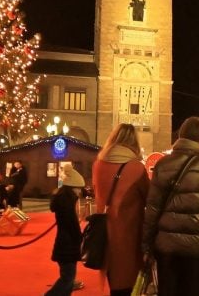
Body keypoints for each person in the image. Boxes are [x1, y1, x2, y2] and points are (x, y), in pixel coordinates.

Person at [143, 116, 199, 296]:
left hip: (167, 247)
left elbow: (152, 209)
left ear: (181, 135)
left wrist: (147, 243)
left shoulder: (163, 164)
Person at [93, 124, 150, 296]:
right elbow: (150, 197)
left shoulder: (99, 165)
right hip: (129, 237)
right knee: (128, 286)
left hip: (104, 235)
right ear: (134, 141)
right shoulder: (137, 168)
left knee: (114, 284)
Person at [46, 166, 86, 296]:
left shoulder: (63, 200)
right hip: (67, 246)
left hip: (64, 244)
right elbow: (72, 226)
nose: (80, 191)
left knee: (68, 277)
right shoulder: (66, 203)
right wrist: (80, 239)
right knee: (68, 278)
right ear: (72, 187)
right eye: (78, 188)